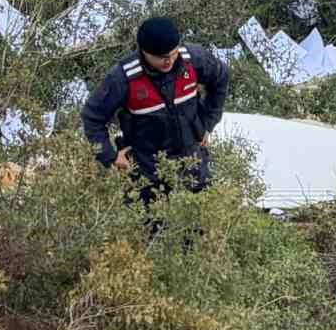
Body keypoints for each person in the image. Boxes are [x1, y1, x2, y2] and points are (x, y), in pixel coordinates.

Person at [81, 17, 230, 226]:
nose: (168, 61)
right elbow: (92, 117)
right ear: (144, 51)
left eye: (172, 53)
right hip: (147, 165)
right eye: (160, 57)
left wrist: (207, 124)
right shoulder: (124, 77)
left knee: (205, 223)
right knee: (151, 231)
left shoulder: (193, 59)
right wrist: (110, 156)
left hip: (192, 156)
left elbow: (221, 78)